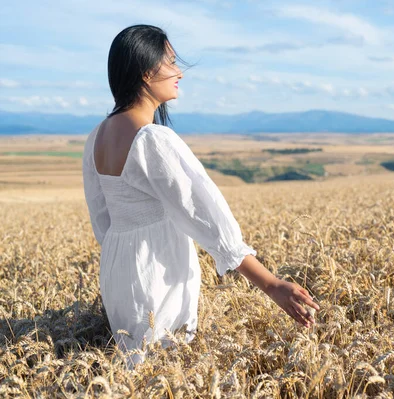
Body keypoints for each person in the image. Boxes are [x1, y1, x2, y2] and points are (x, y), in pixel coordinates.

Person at [82, 24, 319, 368]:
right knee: (165, 367)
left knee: (134, 368)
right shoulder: (153, 140)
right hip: (157, 269)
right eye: (172, 62)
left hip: (119, 267)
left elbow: (102, 218)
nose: (178, 72)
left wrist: (125, 248)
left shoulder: (96, 136)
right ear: (147, 72)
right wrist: (271, 284)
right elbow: (206, 216)